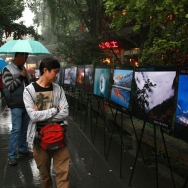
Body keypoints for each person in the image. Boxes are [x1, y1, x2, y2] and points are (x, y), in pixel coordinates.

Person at [23, 57, 70, 188]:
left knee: (63, 175)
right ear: (45, 70)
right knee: (45, 176)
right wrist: (55, 110)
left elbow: (65, 112)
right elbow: (33, 116)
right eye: (55, 71)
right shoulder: (29, 91)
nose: (57, 75)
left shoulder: (58, 89)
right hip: (40, 140)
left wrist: (41, 115)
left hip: (59, 137)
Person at [2, 52, 32, 166]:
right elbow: (10, 87)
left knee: (24, 129)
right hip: (16, 105)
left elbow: (27, 86)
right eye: (25, 57)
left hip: (26, 104)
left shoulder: (23, 68)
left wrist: (29, 79)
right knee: (16, 130)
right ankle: (11, 155)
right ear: (18, 56)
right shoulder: (7, 70)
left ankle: (23, 149)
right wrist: (21, 76)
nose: (25, 60)